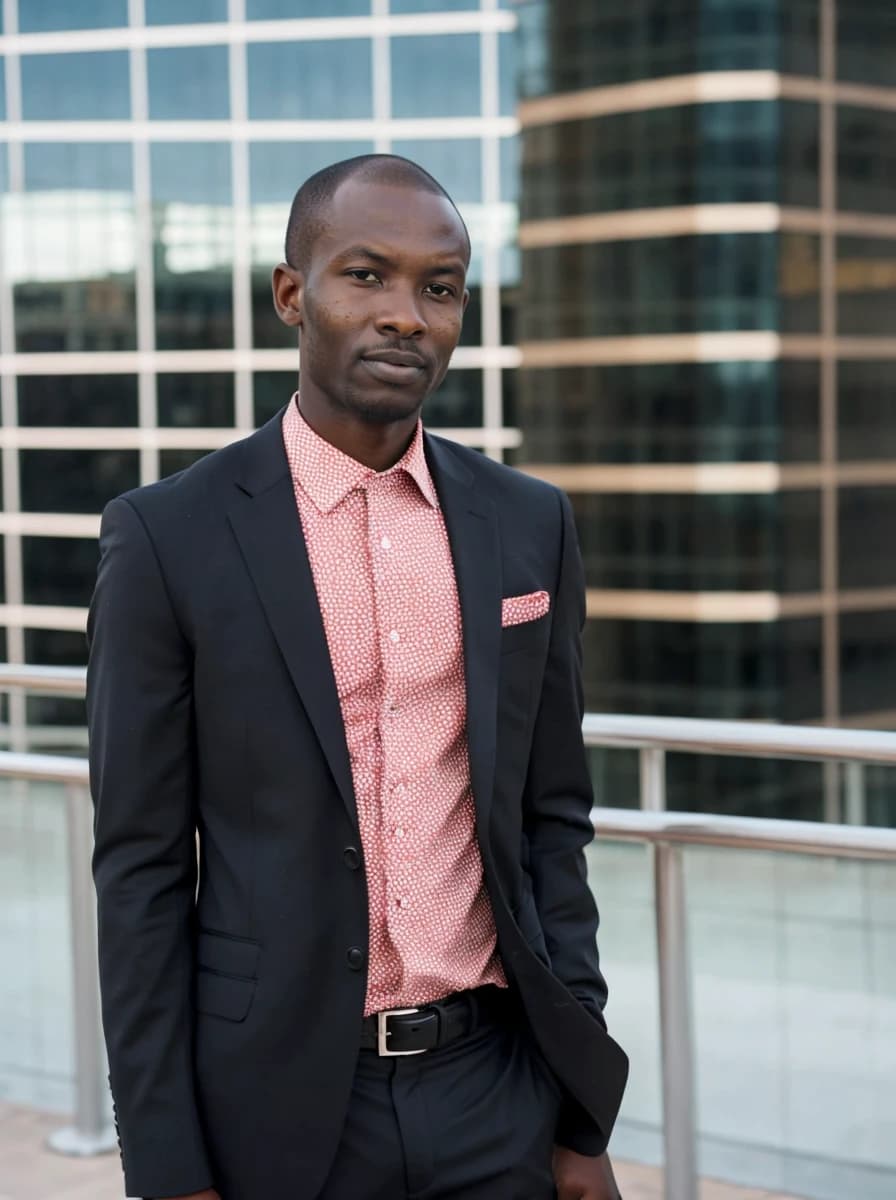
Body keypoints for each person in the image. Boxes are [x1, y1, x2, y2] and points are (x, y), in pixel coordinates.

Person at [88, 154, 628, 1200]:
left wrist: (578, 1112)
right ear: (292, 295)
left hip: (495, 1085)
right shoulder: (166, 538)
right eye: (365, 276)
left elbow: (553, 823)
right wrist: (169, 1170)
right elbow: (141, 879)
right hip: (274, 1107)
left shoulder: (527, 524)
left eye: (438, 287)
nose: (406, 315)